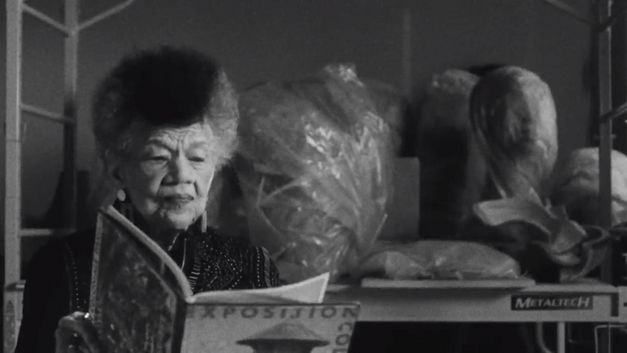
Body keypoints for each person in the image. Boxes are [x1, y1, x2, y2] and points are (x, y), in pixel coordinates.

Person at [15, 46, 280, 353]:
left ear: (217, 163)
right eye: (157, 156)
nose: (181, 174)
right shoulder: (58, 265)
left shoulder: (251, 265)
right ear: (117, 165)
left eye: (197, 157)